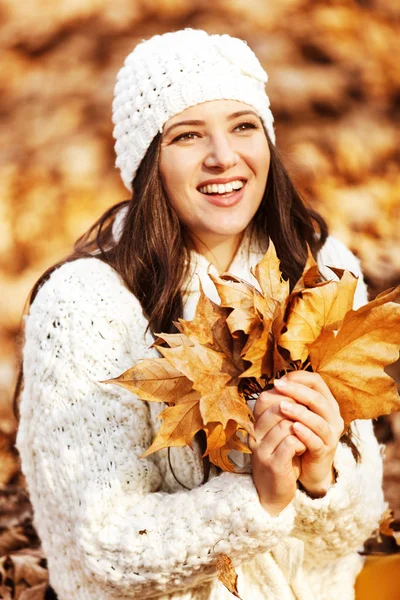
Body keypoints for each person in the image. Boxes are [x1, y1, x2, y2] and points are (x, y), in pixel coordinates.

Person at [14, 28, 386, 600]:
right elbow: (102, 544)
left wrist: (320, 478)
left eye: (243, 126)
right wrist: (257, 498)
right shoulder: (85, 303)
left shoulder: (321, 268)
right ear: (149, 164)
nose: (223, 156)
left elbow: (356, 525)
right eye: (187, 135)